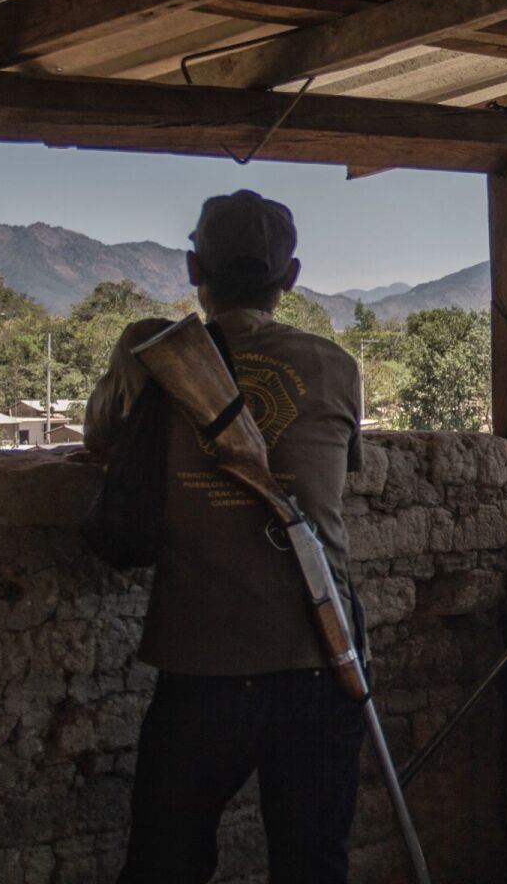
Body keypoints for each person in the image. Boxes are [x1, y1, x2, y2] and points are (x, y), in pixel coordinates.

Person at [86, 190, 365, 883]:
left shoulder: (154, 353)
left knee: (165, 864)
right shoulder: (335, 365)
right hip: (320, 652)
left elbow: (99, 437)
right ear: (290, 277)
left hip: (199, 664)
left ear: (193, 269)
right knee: (313, 865)